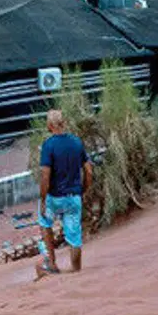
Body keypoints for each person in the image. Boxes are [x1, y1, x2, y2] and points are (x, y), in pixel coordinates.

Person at [35, 109, 93, 276]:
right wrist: (83, 190)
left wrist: (44, 199)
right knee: (74, 237)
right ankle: (76, 270)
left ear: (50, 125)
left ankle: (52, 264)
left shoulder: (48, 145)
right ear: (64, 123)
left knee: (45, 223)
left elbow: (45, 175)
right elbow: (89, 170)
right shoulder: (76, 142)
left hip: (55, 197)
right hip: (73, 197)